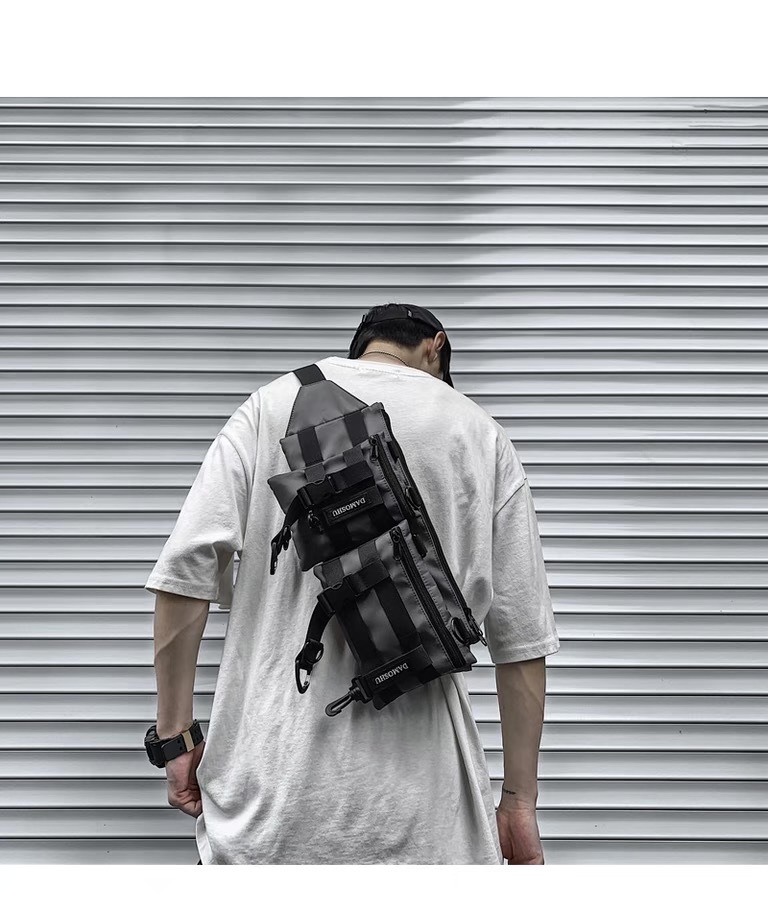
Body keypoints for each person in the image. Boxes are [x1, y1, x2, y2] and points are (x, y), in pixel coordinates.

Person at [144, 303, 560, 865]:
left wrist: (176, 738)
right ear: (436, 347)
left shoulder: (269, 407)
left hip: (267, 808)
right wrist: (518, 802)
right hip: (429, 819)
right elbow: (523, 644)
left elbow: (184, 573)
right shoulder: (481, 434)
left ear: (362, 345)